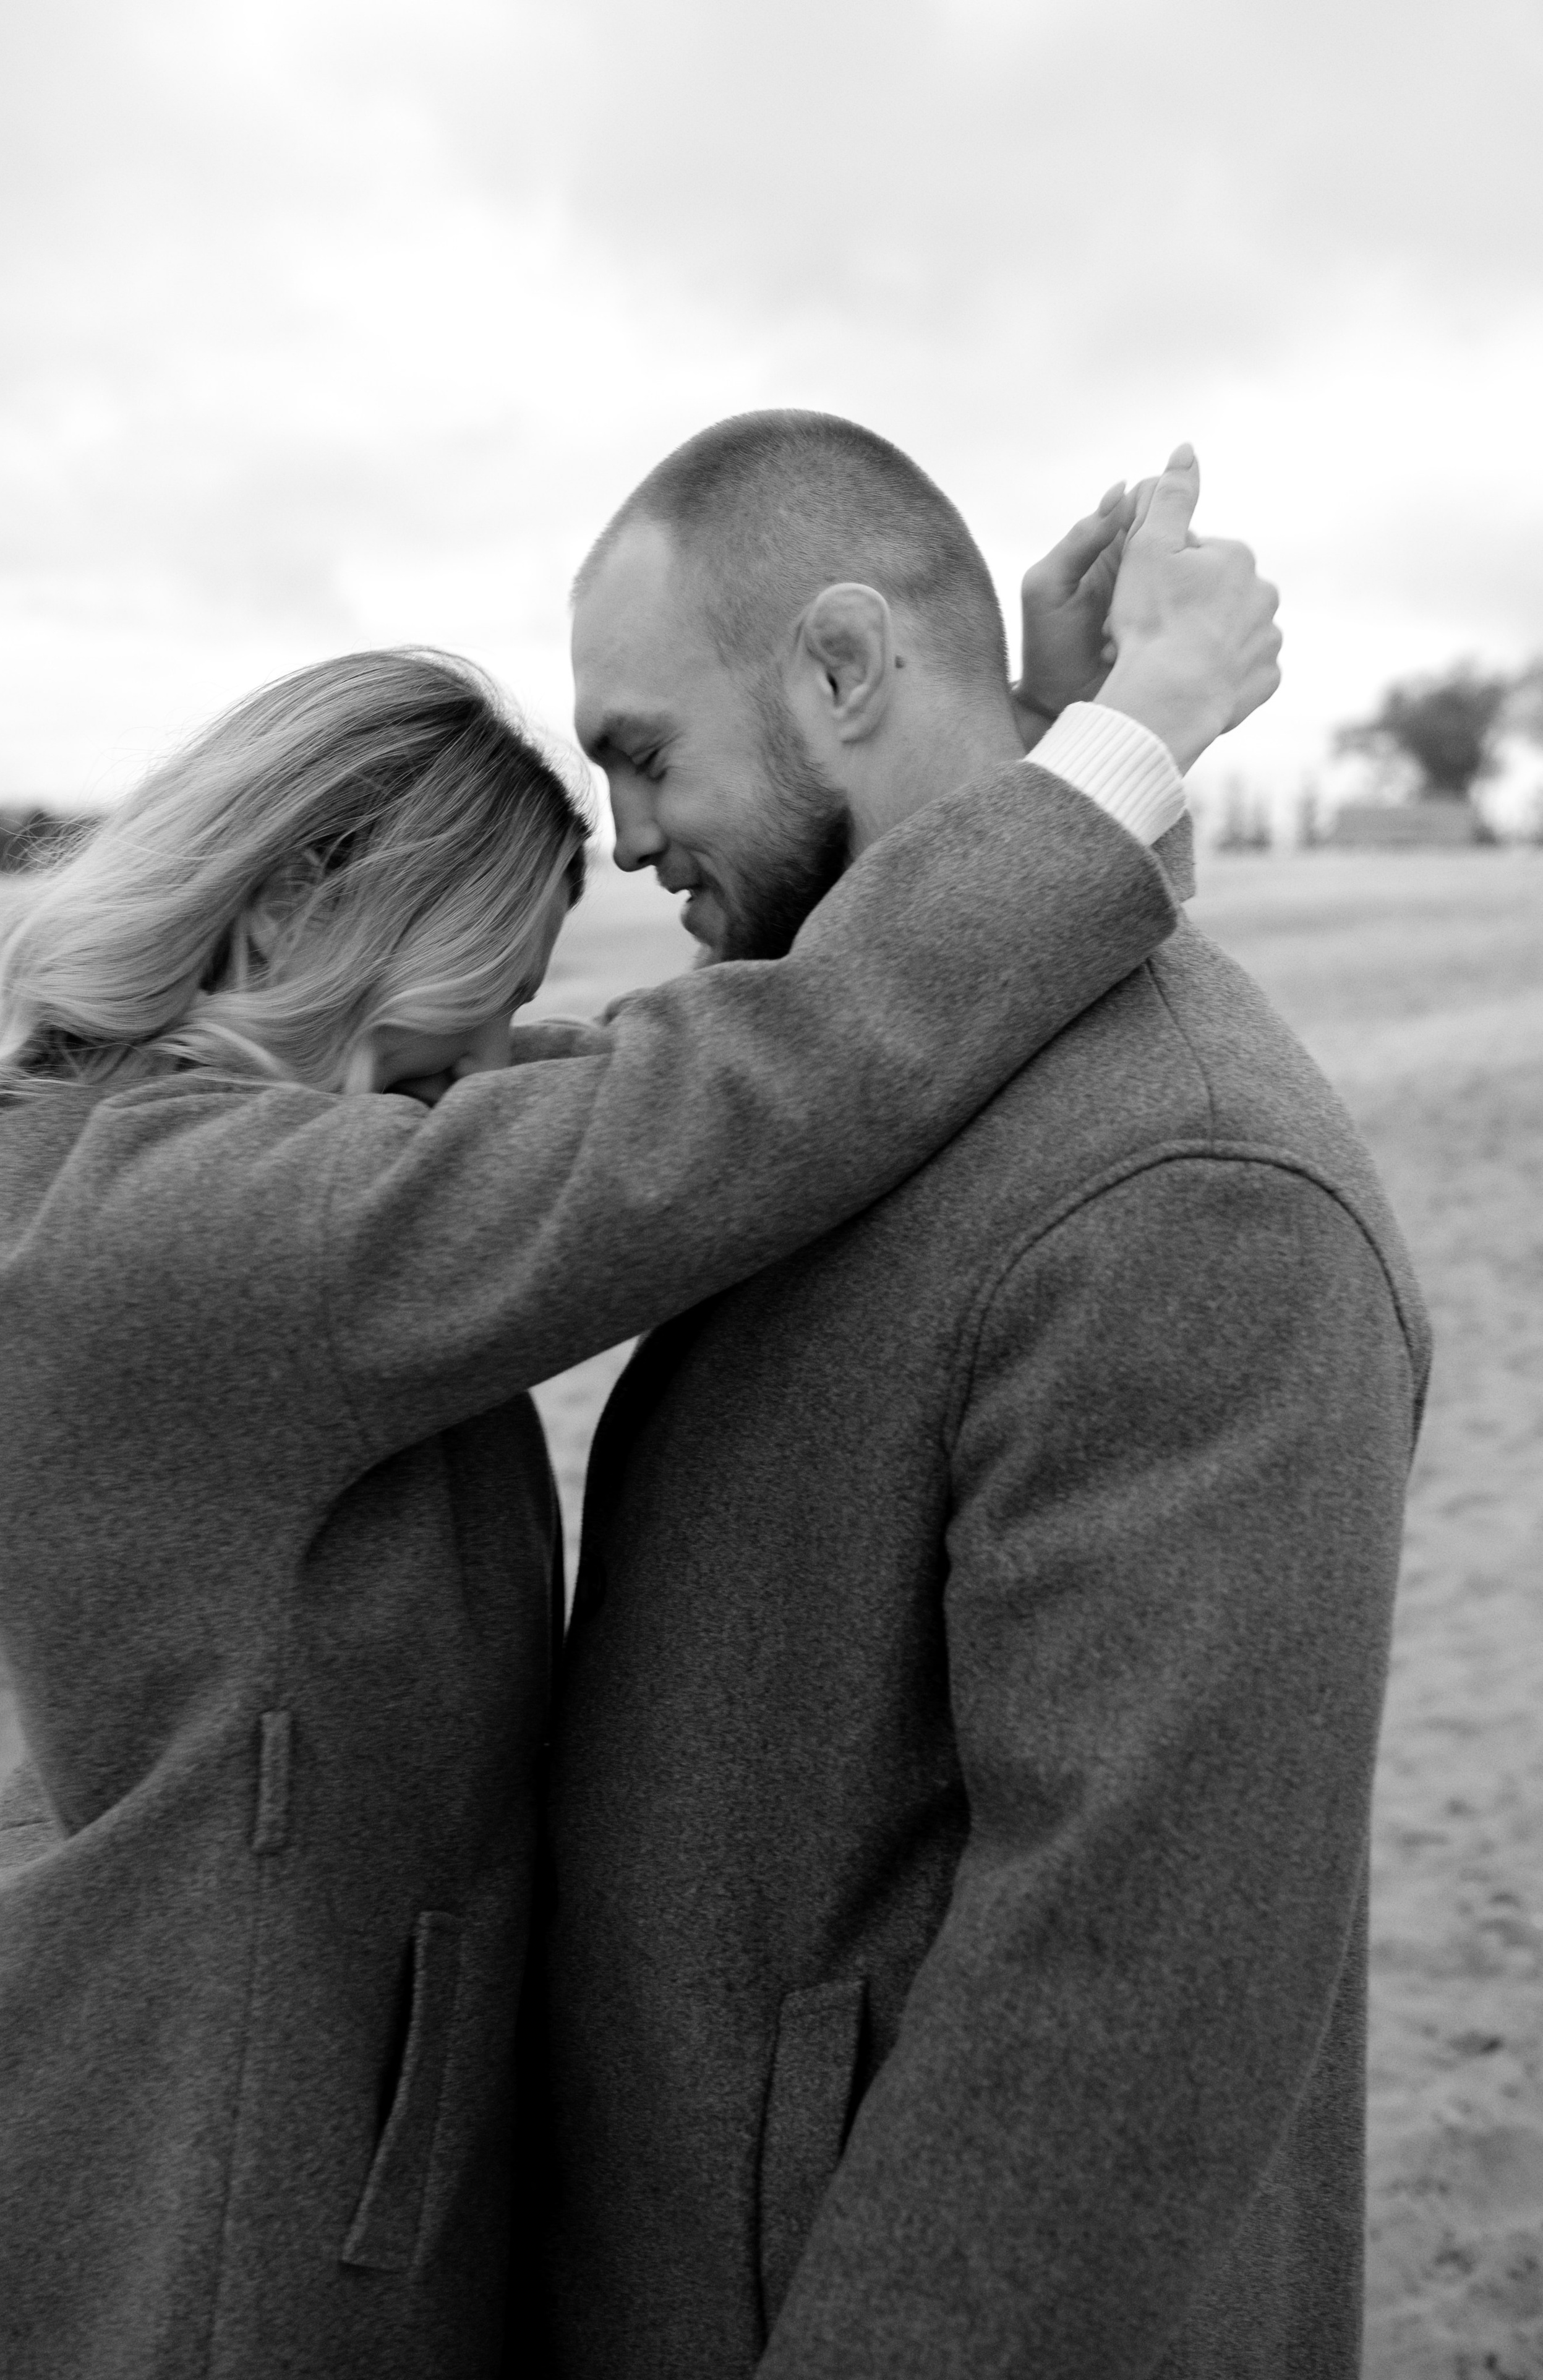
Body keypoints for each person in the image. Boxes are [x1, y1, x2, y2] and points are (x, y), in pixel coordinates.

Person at [0, 560, 1234, 2380]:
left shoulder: (178, 1157)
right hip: (200, 2204)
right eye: (470, 1007)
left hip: (213, 2108)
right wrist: (1132, 745)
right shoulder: (179, 1232)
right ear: (292, 918)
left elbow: (713, 1052)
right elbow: (718, 1109)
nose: (490, 1066)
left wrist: (989, 740)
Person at [536, 415, 1430, 2378]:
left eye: (639, 750)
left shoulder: (1196, 1199)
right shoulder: (828, 1081)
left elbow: (1115, 2040)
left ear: (845, 670)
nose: (620, 838)